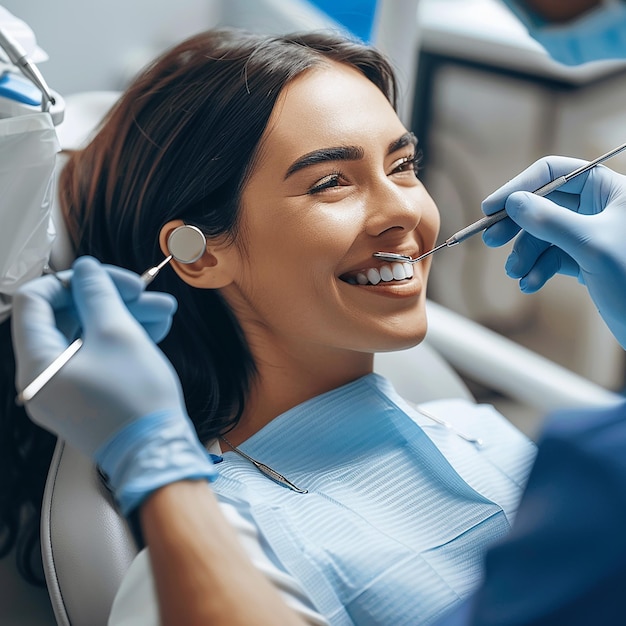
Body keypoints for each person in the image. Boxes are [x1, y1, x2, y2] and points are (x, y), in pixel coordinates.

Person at [4, 28, 538, 626]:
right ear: (198, 254)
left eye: (403, 165)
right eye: (331, 181)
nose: (404, 211)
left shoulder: (477, 430)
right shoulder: (229, 545)